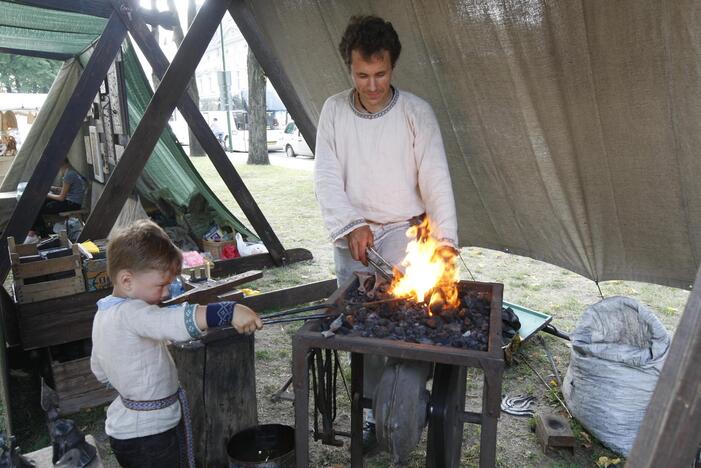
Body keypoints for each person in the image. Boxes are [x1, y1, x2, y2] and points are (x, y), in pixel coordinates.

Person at [313, 15, 459, 451]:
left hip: (404, 233)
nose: (372, 85)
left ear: (392, 67)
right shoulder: (335, 111)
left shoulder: (416, 112)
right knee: (363, 329)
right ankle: (373, 414)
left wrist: (446, 241)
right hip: (352, 234)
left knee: (401, 325)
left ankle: (405, 409)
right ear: (349, 67)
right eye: (362, 75)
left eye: (380, 74)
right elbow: (325, 178)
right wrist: (351, 225)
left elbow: (436, 178)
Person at [90, 219, 263, 467]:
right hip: (149, 437)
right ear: (127, 281)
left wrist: (129, 378)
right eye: (160, 285)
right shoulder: (132, 312)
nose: (164, 294)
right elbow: (170, 320)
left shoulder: (103, 314)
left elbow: (99, 369)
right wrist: (228, 311)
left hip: (132, 429)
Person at [26, 159, 86, 242]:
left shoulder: (69, 175)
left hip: (72, 204)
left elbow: (61, 198)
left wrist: (47, 194)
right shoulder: (72, 171)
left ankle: (40, 234)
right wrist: (53, 188)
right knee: (39, 204)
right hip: (73, 201)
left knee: (37, 208)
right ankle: (36, 232)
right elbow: (68, 190)